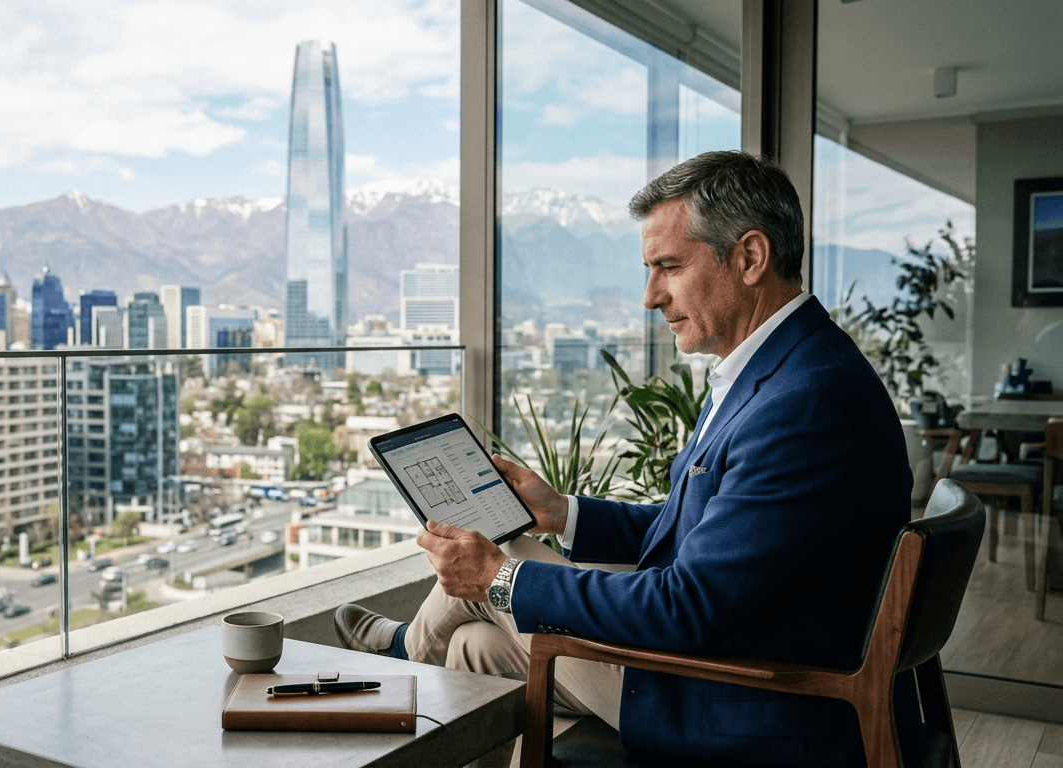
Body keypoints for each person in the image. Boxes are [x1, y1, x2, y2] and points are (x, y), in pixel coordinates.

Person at [334, 151, 918, 767]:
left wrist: (500, 579)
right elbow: (704, 532)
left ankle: (401, 653)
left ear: (749, 257)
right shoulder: (785, 370)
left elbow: (685, 607)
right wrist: (561, 513)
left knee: (499, 562)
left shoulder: (804, 403)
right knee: (478, 649)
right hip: (732, 662)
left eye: (668, 267)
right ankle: (408, 652)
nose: (649, 297)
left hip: (748, 701)